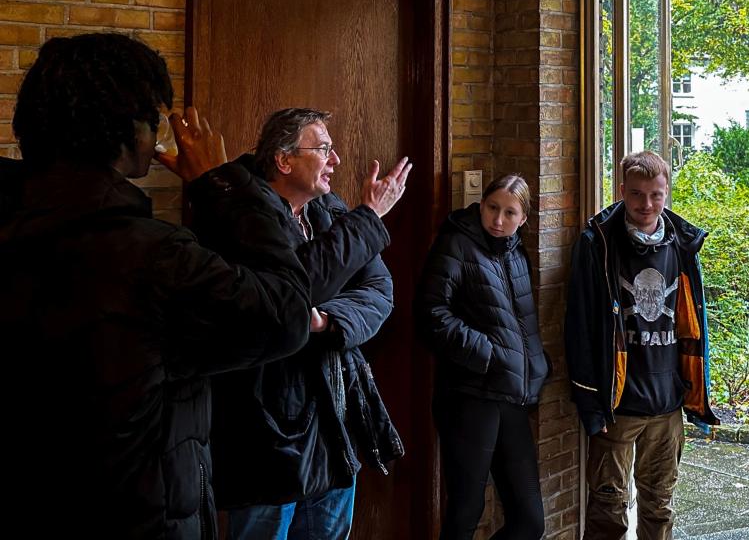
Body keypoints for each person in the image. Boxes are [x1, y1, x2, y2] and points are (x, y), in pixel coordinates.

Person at [0, 33, 313, 539]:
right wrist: (222, 183)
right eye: (151, 121)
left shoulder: (20, 226)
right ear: (127, 131)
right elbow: (286, 315)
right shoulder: (150, 256)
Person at [189, 108, 411, 540]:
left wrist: (329, 322)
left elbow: (379, 290)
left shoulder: (330, 211)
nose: (336, 161)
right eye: (324, 148)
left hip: (334, 422)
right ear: (284, 160)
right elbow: (292, 288)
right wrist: (368, 217)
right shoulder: (241, 219)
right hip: (266, 433)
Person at [565, 150, 718, 540]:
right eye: (636, 194)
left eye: (655, 194)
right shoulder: (597, 244)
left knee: (660, 504)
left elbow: (693, 325)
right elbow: (579, 327)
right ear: (621, 192)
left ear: (667, 192)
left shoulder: (682, 244)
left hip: (667, 404)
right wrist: (590, 402)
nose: (646, 204)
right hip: (618, 406)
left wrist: (692, 392)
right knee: (608, 511)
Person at [416, 173, 548, 540]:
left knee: (529, 521)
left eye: (509, 213)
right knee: (465, 512)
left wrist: (536, 365)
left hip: (511, 396)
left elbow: (519, 324)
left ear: (523, 219)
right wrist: (487, 354)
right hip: (470, 395)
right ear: (481, 204)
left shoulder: (516, 252)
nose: (498, 220)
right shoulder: (457, 243)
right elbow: (430, 313)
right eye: (492, 208)